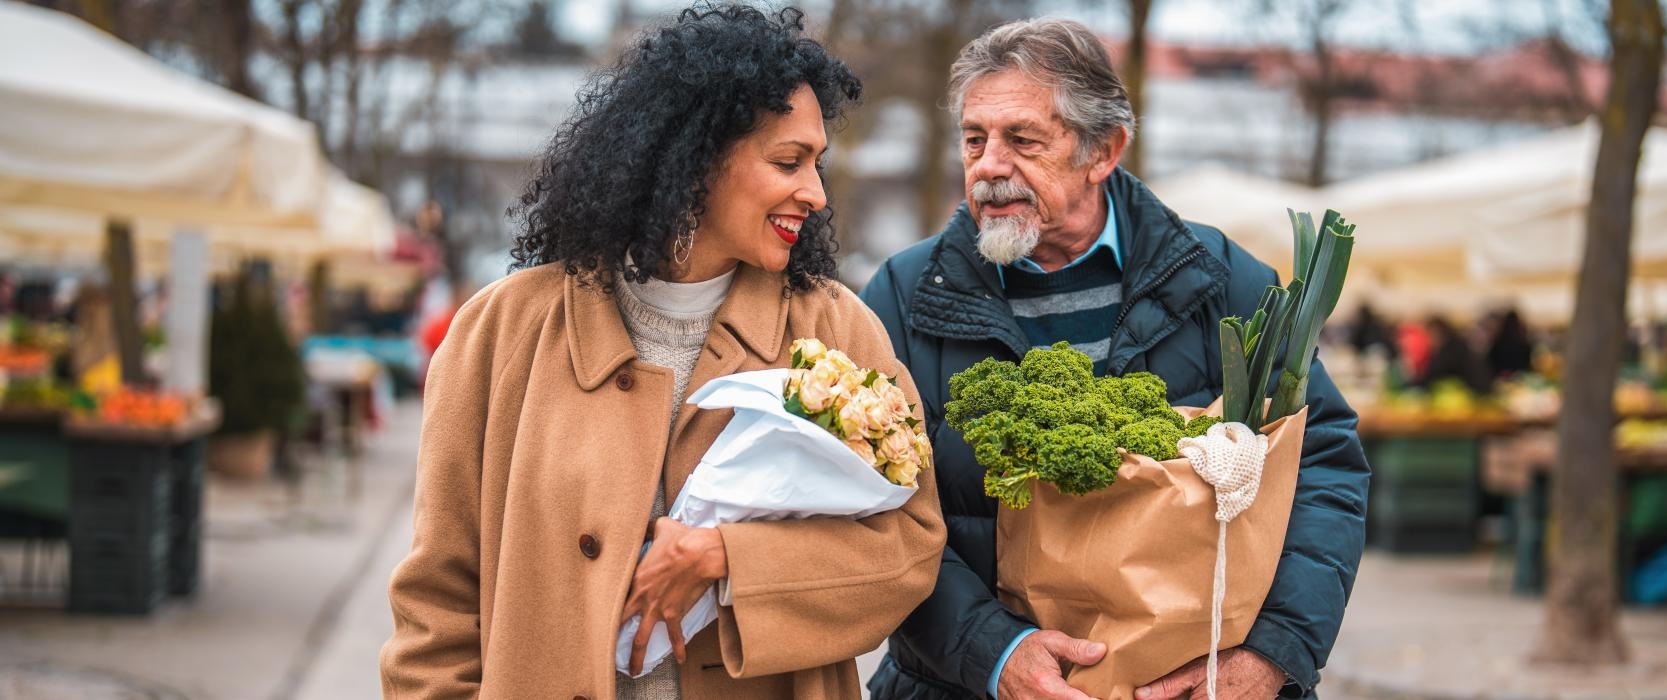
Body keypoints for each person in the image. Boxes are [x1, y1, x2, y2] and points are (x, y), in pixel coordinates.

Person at [379, 7, 945, 699]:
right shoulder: (500, 333)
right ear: (695, 156)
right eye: (788, 161)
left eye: (818, 163)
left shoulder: (835, 330)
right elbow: (436, 603)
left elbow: (911, 548)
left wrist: (727, 558)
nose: (816, 193)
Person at [859, 18, 1369, 700]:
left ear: (1103, 150)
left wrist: (1275, 652)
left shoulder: (1217, 280)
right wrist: (994, 652)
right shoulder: (902, 295)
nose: (987, 166)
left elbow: (1322, 460)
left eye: (1022, 140)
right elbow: (874, 508)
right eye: (974, 138)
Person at [1484, 309, 1534, 380]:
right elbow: (1527, 363)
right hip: (1519, 378)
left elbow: (1491, 361)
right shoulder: (1523, 343)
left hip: (1500, 378)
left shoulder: (1498, 342)